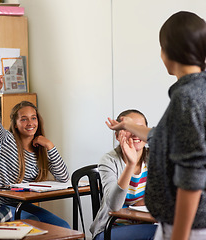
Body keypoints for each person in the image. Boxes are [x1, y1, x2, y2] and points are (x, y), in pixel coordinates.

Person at [106, 11, 206, 240]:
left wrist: (179, 235)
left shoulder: (187, 98)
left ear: (168, 51)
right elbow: (167, 136)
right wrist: (129, 125)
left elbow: (192, 174)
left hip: (187, 226)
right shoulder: (199, 90)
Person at [0, 76, 70, 228]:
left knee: (63, 225)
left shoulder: (41, 149)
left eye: (33, 118)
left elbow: (64, 177)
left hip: (21, 204)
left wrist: (50, 146)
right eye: (24, 119)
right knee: (33, 222)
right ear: (16, 124)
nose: (30, 123)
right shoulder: (8, 140)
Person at [90, 110, 157, 240]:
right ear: (117, 135)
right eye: (127, 128)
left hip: (145, 224)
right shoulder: (109, 160)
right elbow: (115, 206)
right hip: (110, 229)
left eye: (139, 128)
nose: (135, 133)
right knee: (160, 233)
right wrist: (130, 164)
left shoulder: (154, 157)